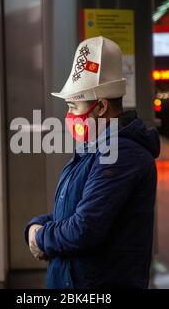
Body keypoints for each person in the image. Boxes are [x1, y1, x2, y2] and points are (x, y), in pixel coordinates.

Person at [24, 36, 160, 288]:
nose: (69, 116)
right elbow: (75, 211)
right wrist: (36, 226)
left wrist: (41, 237)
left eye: (74, 107)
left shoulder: (122, 155)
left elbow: (84, 229)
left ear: (100, 107)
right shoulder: (95, 148)